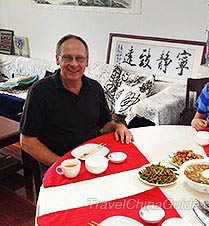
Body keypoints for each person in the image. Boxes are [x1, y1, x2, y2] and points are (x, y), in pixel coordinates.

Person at [20, 34, 133, 177]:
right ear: (57, 59)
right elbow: (27, 141)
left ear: (87, 62)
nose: (74, 64)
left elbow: (104, 124)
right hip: (59, 165)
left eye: (79, 58)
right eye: (67, 57)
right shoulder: (40, 91)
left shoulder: (95, 88)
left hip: (94, 159)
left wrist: (118, 126)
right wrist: (64, 164)